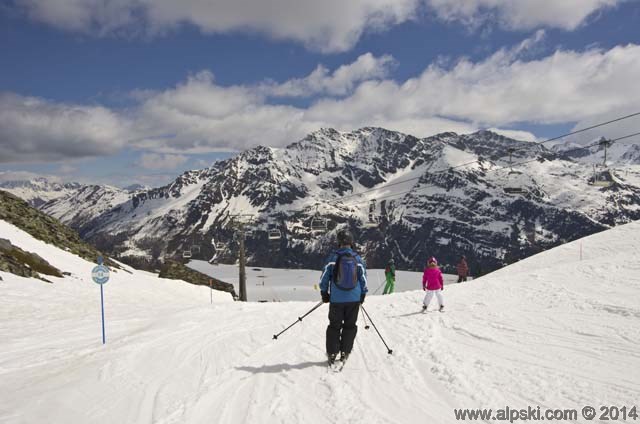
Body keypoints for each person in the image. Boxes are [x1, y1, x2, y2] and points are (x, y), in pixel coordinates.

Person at [319, 229, 368, 365]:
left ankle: (332, 352)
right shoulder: (358, 259)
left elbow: (324, 277)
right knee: (350, 325)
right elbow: (363, 278)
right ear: (351, 242)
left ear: (339, 242)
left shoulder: (333, 258)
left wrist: (324, 293)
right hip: (354, 299)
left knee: (334, 326)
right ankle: (345, 351)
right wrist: (362, 294)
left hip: (337, 300)